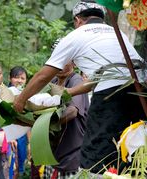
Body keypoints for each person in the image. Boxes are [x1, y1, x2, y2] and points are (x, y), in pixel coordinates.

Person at [13, 1, 147, 174]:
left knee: (96, 156)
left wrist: (20, 100)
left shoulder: (75, 35)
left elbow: (43, 75)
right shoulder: (116, 33)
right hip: (140, 91)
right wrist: (68, 92)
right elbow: (103, 76)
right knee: (132, 150)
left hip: (111, 97)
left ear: (77, 20)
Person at [43, 62, 89, 178]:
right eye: (58, 61)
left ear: (74, 63)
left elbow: (72, 111)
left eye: (65, 62)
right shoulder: (52, 82)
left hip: (71, 156)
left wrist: (44, 124)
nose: (60, 65)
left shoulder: (76, 80)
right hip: (52, 156)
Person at [8, 66, 30, 178]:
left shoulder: (27, 96)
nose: (20, 81)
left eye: (23, 78)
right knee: (8, 168)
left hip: (21, 137)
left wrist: (30, 142)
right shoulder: (3, 94)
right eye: (16, 77)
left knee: (19, 168)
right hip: (7, 137)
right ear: (10, 78)